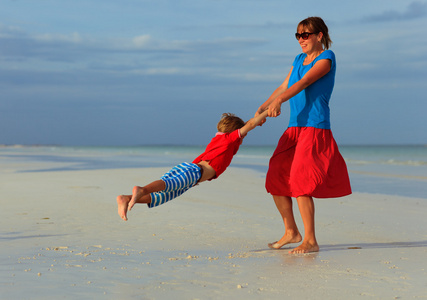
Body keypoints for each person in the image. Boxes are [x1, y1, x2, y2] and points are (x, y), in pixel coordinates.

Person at [255, 16, 352, 254]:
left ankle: (310, 240)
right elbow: (285, 84)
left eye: (305, 35)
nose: (301, 39)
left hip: (315, 127)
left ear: (319, 36)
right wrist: (264, 107)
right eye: (298, 35)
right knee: (276, 174)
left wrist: (280, 100)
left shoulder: (327, 58)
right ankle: (291, 231)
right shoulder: (298, 59)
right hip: (294, 127)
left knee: (301, 181)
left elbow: (305, 82)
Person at [117, 111, 269, 221]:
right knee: (167, 185)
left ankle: (127, 198)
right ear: (235, 132)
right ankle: (142, 189)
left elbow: (250, 124)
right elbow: (250, 125)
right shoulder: (229, 140)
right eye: (242, 135)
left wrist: (258, 117)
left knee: (162, 196)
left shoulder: (218, 140)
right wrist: (267, 112)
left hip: (190, 170)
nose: (243, 138)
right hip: (195, 172)